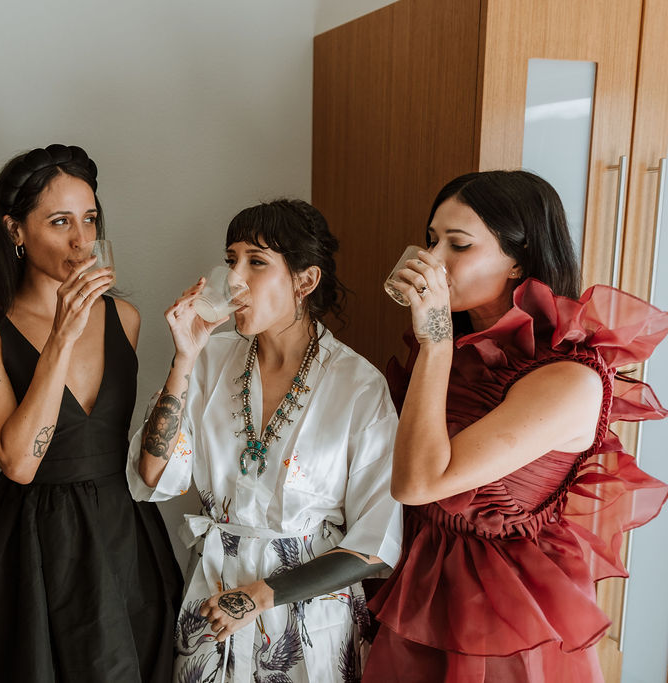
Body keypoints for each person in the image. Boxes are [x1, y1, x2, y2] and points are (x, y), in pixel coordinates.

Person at [362, 170, 668, 682]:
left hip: (501, 616)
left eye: (457, 245)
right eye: (431, 240)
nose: (432, 261)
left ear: (519, 262)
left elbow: (416, 484)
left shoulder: (569, 380)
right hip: (418, 584)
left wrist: (435, 340)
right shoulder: (458, 351)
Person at [128, 199, 403, 682]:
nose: (234, 277)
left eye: (256, 261)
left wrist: (258, 596)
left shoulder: (359, 386)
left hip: (309, 617)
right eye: (231, 259)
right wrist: (183, 362)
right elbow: (153, 476)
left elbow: (375, 542)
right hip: (211, 600)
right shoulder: (210, 360)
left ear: (305, 280)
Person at [0, 144, 182, 683]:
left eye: (90, 220)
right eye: (60, 221)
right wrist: (62, 336)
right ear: (14, 230)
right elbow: (19, 461)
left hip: (125, 530)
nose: (81, 241)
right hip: (36, 541)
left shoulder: (126, 317)